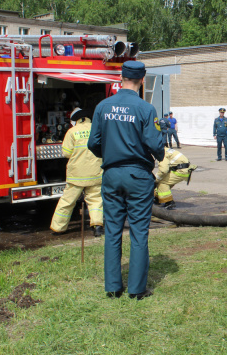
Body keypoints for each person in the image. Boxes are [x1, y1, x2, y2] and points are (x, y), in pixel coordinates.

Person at [88, 60, 164, 301]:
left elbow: (93, 143)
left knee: (112, 231)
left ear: (121, 79)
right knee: (139, 232)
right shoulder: (145, 108)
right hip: (137, 175)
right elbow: (155, 144)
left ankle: (112, 287)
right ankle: (136, 290)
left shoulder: (103, 106)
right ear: (142, 81)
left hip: (111, 174)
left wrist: (110, 155)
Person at [50, 108, 104, 237]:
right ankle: (97, 226)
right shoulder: (98, 129)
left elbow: (66, 153)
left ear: (76, 120)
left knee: (67, 201)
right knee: (96, 200)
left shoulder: (72, 131)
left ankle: (58, 228)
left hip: (77, 175)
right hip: (96, 173)